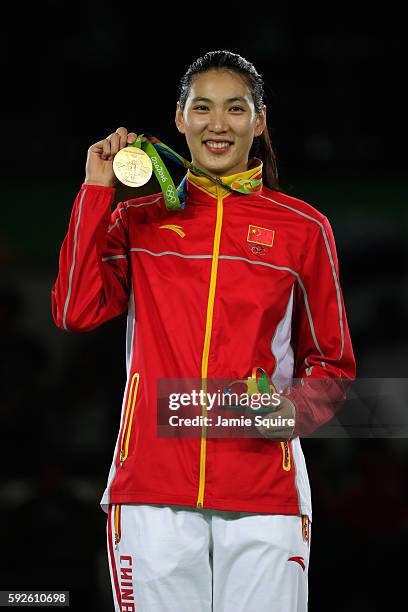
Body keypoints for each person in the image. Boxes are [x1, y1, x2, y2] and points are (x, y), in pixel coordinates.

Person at [51, 50, 356, 611]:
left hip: (264, 485)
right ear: (179, 118)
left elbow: (332, 366)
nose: (219, 124)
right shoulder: (136, 220)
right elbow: (74, 310)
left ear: (259, 121)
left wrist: (295, 411)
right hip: (151, 486)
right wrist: (96, 192)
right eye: (204, 108)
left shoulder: (304, 229)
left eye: (236, 109)